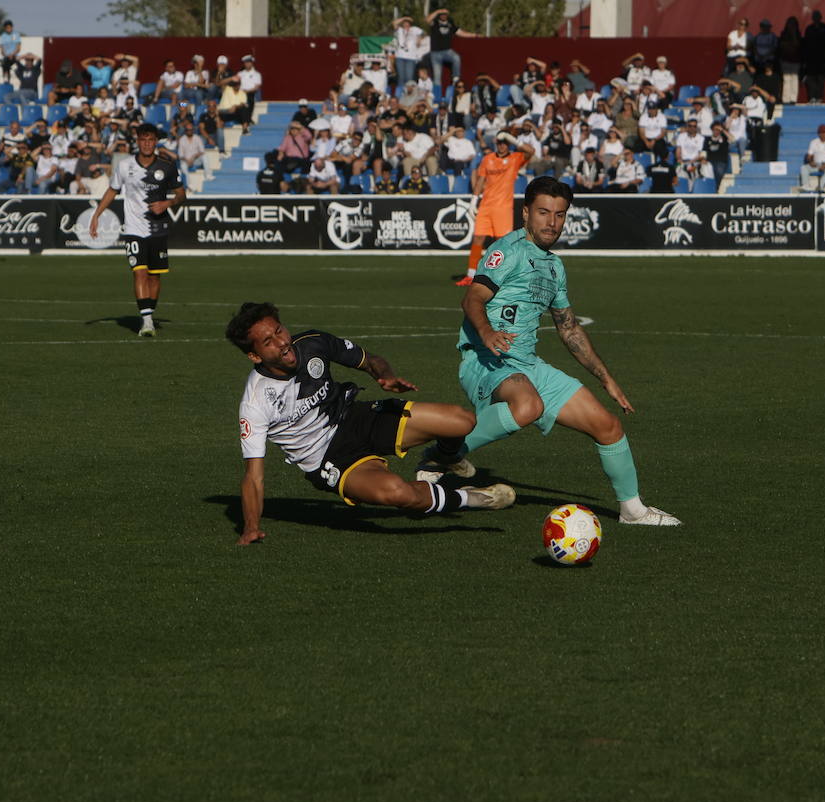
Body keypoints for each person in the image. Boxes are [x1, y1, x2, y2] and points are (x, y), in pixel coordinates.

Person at [430, 176, 680, 527]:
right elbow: (472, 297)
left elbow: (569, 328)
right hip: (486, 361)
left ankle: (633, 511)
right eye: (544, 212)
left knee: (608, 426)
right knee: (528, 405)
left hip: (527, 365)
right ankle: (444, 453)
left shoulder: (554, 266)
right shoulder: (508, 250)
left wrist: (606, 379)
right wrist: (486, 332)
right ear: (526, 213)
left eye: (560, 215)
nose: (552, 222)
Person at [227, 302, 515, 546]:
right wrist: (251, 526)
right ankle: (475, 499)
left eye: (279, 331)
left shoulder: (313, 342)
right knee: (400, 494)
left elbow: (370, 360)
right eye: (268, 342)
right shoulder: (255, 402)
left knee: (462, 421)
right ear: (254, 355)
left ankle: (443, 457)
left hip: (358, 417)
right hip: (330, 459)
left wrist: (385, 376)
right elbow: (254, 477)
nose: (282, 343)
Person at [87, 124, 186, 338]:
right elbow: (112, 190)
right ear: (138, 141)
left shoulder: (167, 167)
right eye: (143, 139)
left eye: (151, 140)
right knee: (139, 272)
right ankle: (147, 321)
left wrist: (166, 204)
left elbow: (181, 194)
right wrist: (96, 215)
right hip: (133, 229)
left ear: (156, 142)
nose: (147, 143)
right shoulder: (124, 166)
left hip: (157, 228)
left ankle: (149, 313)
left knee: (154, 277)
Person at [456, 131, 534, 287]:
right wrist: (473, 201)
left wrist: (513, 138)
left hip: (503, 208)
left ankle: (504, 275)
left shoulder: (514, 159)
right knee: (478, 238)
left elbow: (531, 151)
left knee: (502, 243)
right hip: (485, 206)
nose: (502, 145)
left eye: (505, 142)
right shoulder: (488, 159)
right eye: (499, 142)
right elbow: (480, 180)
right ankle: (470, 275)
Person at [425, 8, 476, 92]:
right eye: (442, 14)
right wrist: (438, 11)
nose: (443, 16)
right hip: (435, 53)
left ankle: (455, 78)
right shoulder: (435, 22)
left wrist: (474, 35)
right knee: (437, 77)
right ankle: (437, 96)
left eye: (445, 14)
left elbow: (460, 32)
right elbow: (427, 20)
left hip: (447, 51)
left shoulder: (450, 23)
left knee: (456, 58)